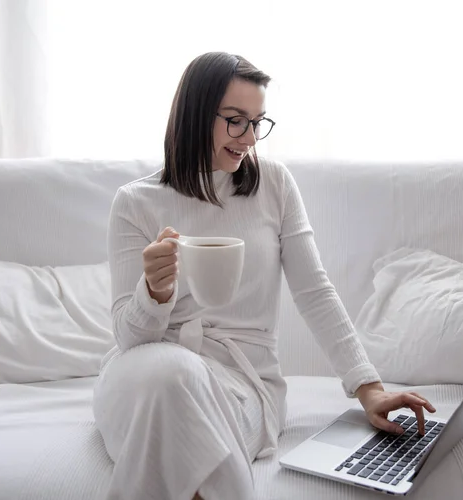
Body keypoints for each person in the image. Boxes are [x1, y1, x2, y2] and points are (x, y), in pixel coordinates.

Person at [93, 51, 436, 500]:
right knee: (172, 374)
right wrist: (153, 292)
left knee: (180, 409)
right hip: (146, 375)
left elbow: (315, 291)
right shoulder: (135, 202)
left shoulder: (273, 186)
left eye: (258, 122)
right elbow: (128, 338)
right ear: (196, 115)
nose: (250, 138)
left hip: (243, 385)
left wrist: (368, 388)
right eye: (236, 121)